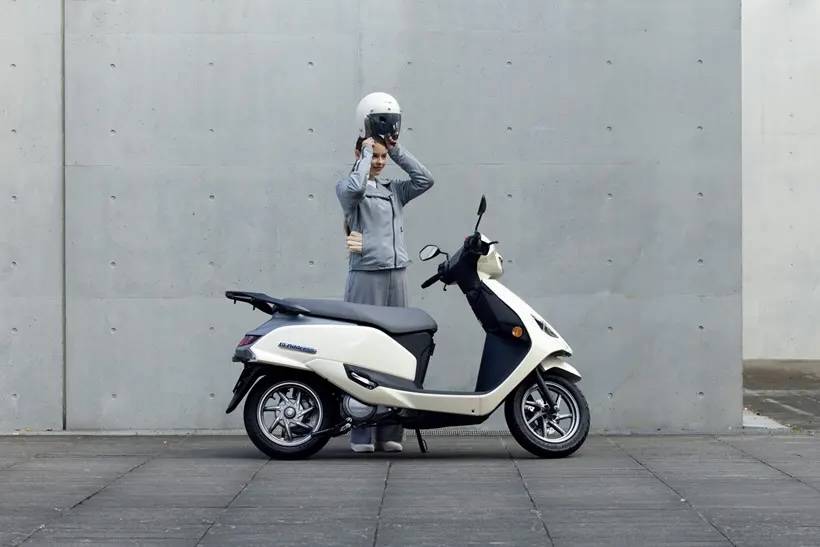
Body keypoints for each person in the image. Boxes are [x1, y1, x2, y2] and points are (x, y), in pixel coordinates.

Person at [335, 130, 434, 453]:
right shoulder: (350, 188)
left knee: (397, 352)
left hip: (397, 275)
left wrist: (397, 149)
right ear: (359, 154)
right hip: (366, 275)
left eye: (382, 157)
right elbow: (355, 187)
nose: (378, 162)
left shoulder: (394, 190)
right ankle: (361, 433)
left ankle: (390, 431)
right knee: (362, 352)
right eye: (373, 155)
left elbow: (425, 180)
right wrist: (364, 155)